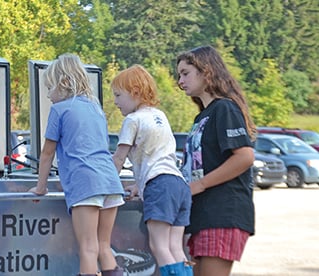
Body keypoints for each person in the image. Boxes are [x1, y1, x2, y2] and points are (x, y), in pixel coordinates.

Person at [28, 53, 125, 276]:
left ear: (63, 83)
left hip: (85, 183)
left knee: (88, 248)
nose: (48, 95)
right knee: (103, 246)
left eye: (50, 87)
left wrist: (40, 187)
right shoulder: (95, 108)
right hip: (110, 181)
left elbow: (47, 153)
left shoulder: (59, 110)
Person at [176, 45, 256, 276]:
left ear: (206, 71)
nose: (180, 81)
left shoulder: (225, 109)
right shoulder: (202, 116)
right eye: (179, 75)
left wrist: (198, 185)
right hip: (201, 215)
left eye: (185, 73)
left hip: (222, 213)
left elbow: (244, 156)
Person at [110, 65, 193, 276]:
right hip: (178, 185)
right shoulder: (159, 116)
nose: (115, 101)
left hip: (160, 187)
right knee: (175, 247)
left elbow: (119, 158)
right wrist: (140, 184)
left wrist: (107, 186)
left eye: (118, 95)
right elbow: (156, 155)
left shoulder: (132, 120)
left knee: (159, 247)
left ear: (135, 92)